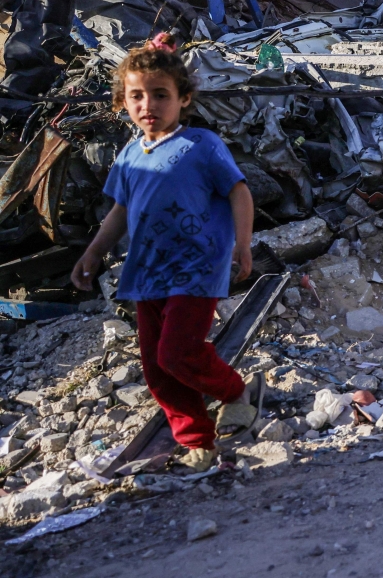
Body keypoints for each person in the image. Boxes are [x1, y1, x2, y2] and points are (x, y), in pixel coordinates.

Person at [71, 33, 261, 472]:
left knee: (177, 352)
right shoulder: (128, 155)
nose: (148, 105)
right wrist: (94, 252)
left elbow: (239, 192)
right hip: (147, 273)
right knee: (158, 370)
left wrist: (242, 242)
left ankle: (234, 392)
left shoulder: (200, 145)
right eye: (137, 96)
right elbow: (120, 210)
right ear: (123, 101)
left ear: (184, 98)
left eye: (160, 95)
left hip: (197, 266)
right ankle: (198, 440)